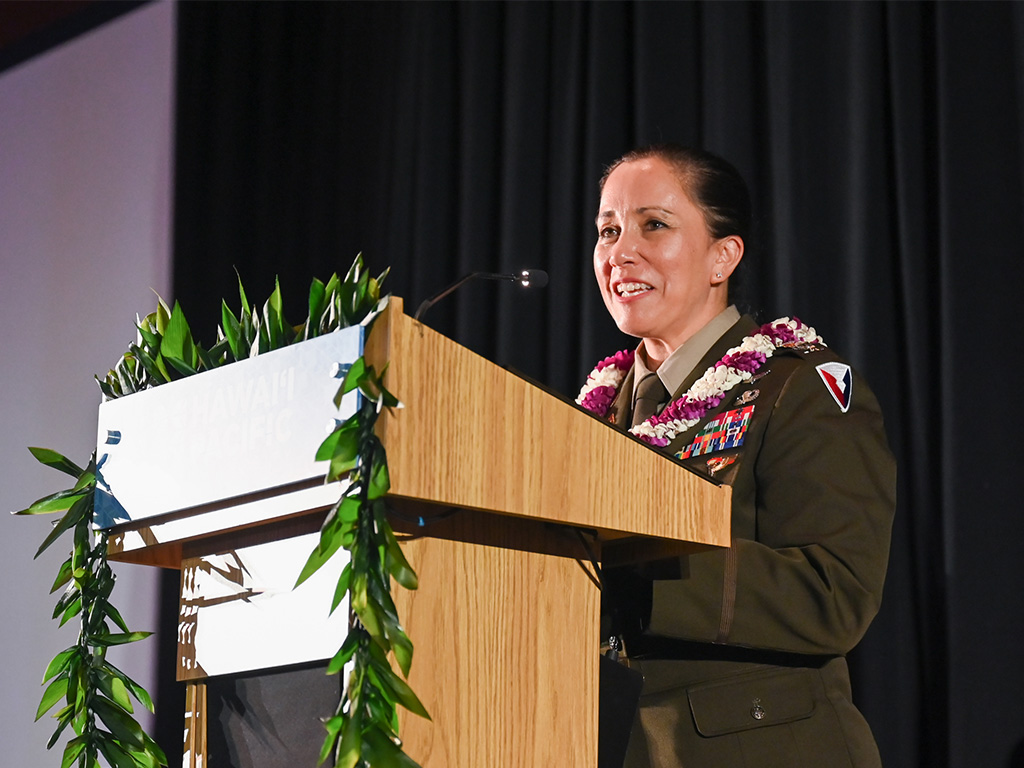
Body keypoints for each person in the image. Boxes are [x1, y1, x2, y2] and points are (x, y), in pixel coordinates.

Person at [577, 144, 896, 768]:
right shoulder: (592, 412)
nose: (620, 252)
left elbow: (834, 591)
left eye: (653, 224)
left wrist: (633, 573)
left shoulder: (798, 387)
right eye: (608, 230)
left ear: (724, 255)